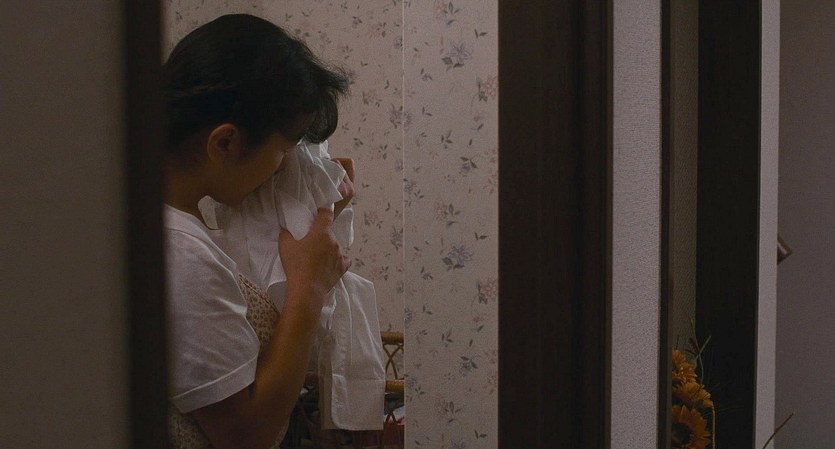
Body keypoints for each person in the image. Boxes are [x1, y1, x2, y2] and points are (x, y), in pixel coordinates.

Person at [162, 14, 351, 449]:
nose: (283, 168)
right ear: (225, 143)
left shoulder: (172, 229)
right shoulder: (182, 254)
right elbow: (245, 437)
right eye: (283, 151)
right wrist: (309, 289)